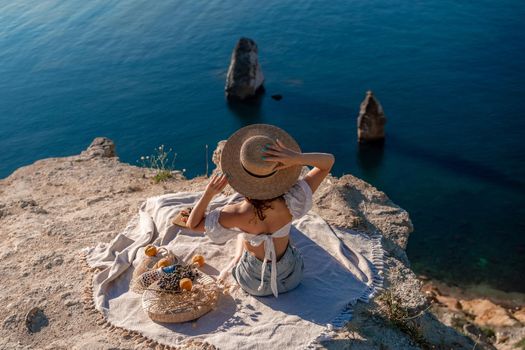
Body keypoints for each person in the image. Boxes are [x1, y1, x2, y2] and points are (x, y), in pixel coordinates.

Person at [185, 124, 335, 297]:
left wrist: (208, 194)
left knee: (243, 232)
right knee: (279, 235)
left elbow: (192, 224)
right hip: (292, 278)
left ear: (243, 179)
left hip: (253, 283)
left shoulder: (236, 213)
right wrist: (296, 158)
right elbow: (328, 161)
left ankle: (241, 251)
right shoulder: (294, 199)